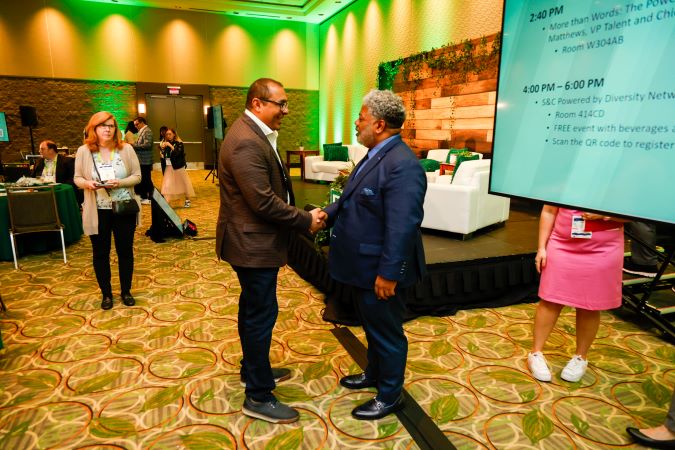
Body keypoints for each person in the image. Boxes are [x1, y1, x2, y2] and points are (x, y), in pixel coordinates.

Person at [216, 78, 325, 424]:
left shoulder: (252, 132)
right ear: (258, 103)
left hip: (252, 241)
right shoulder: (246, 142)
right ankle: (258, 396)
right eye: (281, 103)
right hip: (252, 244)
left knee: (253, 309)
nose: (286, 110)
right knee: (261, 314)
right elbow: (262, 201)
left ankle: (253, 370)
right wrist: (305, 219)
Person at [323, 89, 427, 420]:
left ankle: (390, 395)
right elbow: (351, 199)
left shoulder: (402, 165)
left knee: (387, 334)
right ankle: (374, 374)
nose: (356, 122)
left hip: (379, 272)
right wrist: (326, 214)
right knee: (372, 328)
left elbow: (403, 226)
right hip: (362, 267)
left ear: (379, 124)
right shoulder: (374, 154)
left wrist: (389, 273)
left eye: (361, 117)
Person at [528, 206, 624, 383]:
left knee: (590, 304)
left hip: (603, 249)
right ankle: (536, 353)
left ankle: (580, 357)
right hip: (562, 243)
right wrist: (542, 247)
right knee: (550, 299)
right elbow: (549, 211)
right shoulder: (565, 178)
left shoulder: (617, 180)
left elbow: (636, 215)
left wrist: (606, 214)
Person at [74, 112, 141, 311]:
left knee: (125, 251)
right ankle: (106, 294)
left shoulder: (126, 149)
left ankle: (126, 291)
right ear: (93, 128)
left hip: (123, 208)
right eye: (102, 126)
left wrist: (120, 182)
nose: (107, 129)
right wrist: (87, 183)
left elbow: (137, 176)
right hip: (98, 210)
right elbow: (77, 178)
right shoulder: (84, 151)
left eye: (111, 126)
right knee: (101, 253)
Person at [160, 128, 195, 208]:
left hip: (178, 166)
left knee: (183, 183)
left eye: (170, 134)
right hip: (169, 167)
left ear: (174, 134)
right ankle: (166, 202)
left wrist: (170, 146)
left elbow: (178, 153)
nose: (168, 136)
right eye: (167, 134)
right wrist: (162, 150)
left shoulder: (179, 143)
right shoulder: (165, 143)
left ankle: (187, 199)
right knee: (167, 184)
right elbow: (164, 155)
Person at [132, 116, 154, 204]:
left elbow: (147, 145)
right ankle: (144, 196)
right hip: (141, 159)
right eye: (135, 125)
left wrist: (133, 145)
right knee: (144, 178)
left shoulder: (147, 131)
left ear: (142, 122)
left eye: (137, 124)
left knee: (146, 179)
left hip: (145, 160)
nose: (136, 126)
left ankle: (150, 197)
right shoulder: (141, 131)